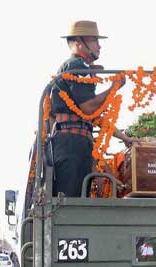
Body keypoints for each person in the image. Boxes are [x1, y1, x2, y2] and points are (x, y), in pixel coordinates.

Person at [49, 20, 136, 198]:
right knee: (70, 200)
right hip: (71, 143)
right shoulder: (76, 66)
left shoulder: (82, 68)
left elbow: (95, 117)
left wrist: (125, 138)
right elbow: (88, 108)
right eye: (94, 40)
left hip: (76, 140)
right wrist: (114, 88)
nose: (99, 46)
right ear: (79, 43)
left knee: (78, 198)